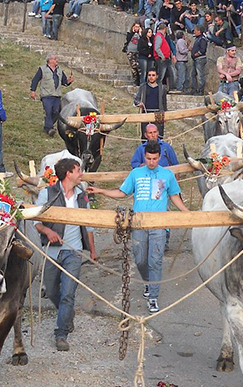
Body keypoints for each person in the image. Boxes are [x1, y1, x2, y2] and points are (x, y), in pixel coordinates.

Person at [87, 141, 189, 314]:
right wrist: (101, 191)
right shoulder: (136, 174)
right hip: (138, 224)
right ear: (144, 156)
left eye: (155, 159)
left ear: (159, 157)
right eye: (148, 158)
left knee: (155, 261)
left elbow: (174, 196)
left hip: (159, 224)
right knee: (140, 259)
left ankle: (153, 297)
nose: (151, 162)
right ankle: (148, 281)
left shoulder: (167, 175)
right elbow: (122, 193)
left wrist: (187, 213)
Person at [34, 158, 96, 351]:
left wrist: (93, 250)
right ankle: (67, 315)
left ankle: (61, 334)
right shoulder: (47, 193)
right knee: (52, 292)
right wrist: (48, 232)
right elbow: (36, 221)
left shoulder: (81, 196)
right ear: (68, 173)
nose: (81, 174)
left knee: (68, 294)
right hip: (52, 252)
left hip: (73, 251)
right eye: (78, 170)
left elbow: (89, 224)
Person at [30, 54, 75, 136]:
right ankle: (50, 129)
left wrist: (69, 81)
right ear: (49, 60)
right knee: (48, 111)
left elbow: (64, 82)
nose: (57, 60)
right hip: (46, 95)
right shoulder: (42, 69)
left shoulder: (60, 70)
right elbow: (35, 80)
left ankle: (47, 125)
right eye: (55, 59)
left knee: (56, 112)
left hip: (57, 95)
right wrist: (33, 91)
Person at [134, 69, 168, 138]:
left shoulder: (162, 88)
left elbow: (164, 103)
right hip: (146, 114)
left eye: (153, 75)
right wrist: (139, 104)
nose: (151, 77)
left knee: (158, 136)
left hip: (158, 114)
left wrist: (165, 115)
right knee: (145, 136)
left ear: (157, 76)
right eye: (149, 75)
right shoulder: (143, 87)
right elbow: (136, 100)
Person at [190, 25, 208, 95]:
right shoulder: (197, 39)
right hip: (195, 59)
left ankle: (200, 90)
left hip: (200, 59)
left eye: (195, 30)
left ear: (199, 31)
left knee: (200, 75)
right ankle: (194, 89)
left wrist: (197, 53)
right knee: (193, 74)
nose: (194, 32)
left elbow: (203, 49)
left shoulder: (202, 39)